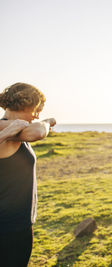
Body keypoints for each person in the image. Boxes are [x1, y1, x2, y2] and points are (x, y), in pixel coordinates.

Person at [0, 82, 56, 267]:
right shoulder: (8, 129)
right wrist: (47, 122)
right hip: (10, 228)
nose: (37, 115)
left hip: (16, 224)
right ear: (25, 104)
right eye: (36, 110)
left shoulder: (14, 130)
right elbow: (38, 132)